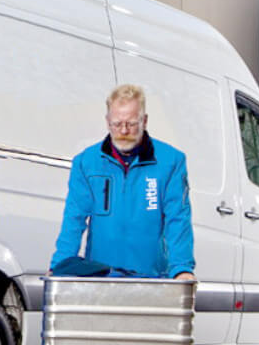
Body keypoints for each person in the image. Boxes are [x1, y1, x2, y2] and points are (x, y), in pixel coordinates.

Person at [50, 84, 195, 281]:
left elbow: (178, 219)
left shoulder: (170, 162)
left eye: (132, 124)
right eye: (117, 124)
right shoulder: (86, 163)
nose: (124, 131)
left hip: (151, 279)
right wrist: (61, 264)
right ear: (108, 121)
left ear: (144, 121)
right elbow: (74, 218)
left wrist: (182, 269)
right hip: (101, 278)